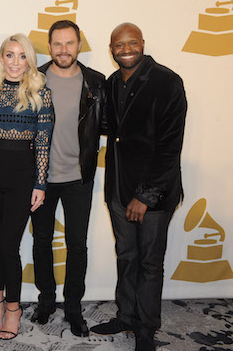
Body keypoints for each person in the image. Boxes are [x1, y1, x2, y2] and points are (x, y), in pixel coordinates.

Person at [90, 23, 187, 351]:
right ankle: (127, 315)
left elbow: (170, 148)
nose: (126, 48)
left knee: (148, 261)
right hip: (118, 189)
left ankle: (146, 327)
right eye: (119, 44)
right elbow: (109, 129)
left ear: (142, 44)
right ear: (111, 48)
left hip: (153, 195)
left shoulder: (166, 82)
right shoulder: (112, 83)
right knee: (126, 256)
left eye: (132, 43)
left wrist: (145, 196)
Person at [0, 33, 53, 340]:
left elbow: (44, 141)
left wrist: (40, 183)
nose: (15, 62)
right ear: (2, 58)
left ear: (29, 60)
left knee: (9, 246)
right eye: (9, 55)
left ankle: (14, 308)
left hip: (22, 175)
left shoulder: (40, 93)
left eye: (21, 56)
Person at [30, 20, 106, 337]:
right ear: (50, 47)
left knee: (77, 245)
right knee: (41, 241)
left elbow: (109, 126)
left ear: (79, 44)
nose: (64, 49)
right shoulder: (33, 79)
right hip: (41, 180)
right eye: (57, 44)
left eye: (70, 43)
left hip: (79, 177)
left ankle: (73, 307)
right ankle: (46, 300)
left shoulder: (96, 82)